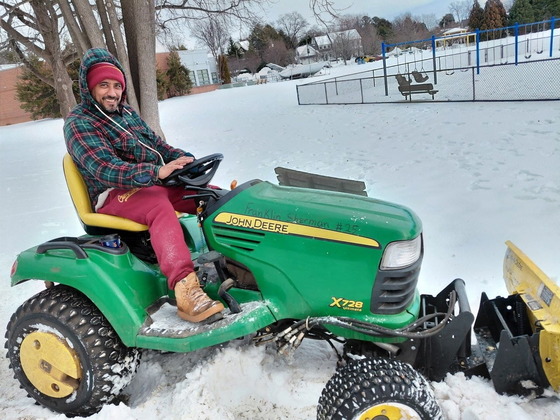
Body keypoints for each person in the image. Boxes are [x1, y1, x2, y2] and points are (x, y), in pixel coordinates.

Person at [64, 48, 224, 323]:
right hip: (111, 194)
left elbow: (158, 145)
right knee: (157, 205)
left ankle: (235, 266)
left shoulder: (127, 114)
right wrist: (155, 172)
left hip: (151, 182)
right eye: (104, 85)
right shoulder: (79, 122)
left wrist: (183, 160)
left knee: (212, 196)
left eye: (116, 85)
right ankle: (186, 290)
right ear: (89, 87)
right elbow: (104, 168)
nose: (112, 92)